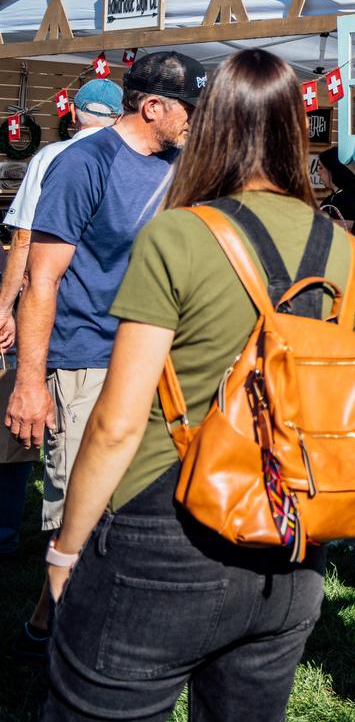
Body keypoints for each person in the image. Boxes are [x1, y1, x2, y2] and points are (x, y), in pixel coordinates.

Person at [40, 49, 355, 720]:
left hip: (166, 537)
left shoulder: (180, 235)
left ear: (213, 122)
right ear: (293, 129)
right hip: (289, 544)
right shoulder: (344, 251)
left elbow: (116, 422)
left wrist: (63, 549)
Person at [6, 54, 200, 656]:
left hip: (152, 361)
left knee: (130, 507)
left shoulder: (180, 166)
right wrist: (31, 383)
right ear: (152, 108)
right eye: (190, 109)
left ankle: (44, 627)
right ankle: (74, 660)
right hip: (85, 359)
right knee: (78, 514)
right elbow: (43, 280)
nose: (198, 121)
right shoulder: (81, 164)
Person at [0, 79, 121, 559]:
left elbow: (25, 241)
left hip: (67, 325)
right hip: (125, 334)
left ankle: (26, 546)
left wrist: (5, 305)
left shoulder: (52, 158)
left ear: (74, 115)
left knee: (53, 441)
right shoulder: (140, 157)